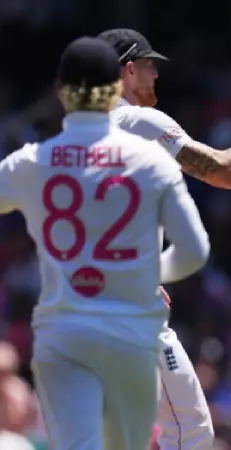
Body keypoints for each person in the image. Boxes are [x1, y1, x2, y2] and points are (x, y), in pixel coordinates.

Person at [96, 28, 231, 449]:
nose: (156, 75)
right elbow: (225, 171)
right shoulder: (137, 121)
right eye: (149, 66)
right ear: (127, 70)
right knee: (190, 431)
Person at [0, 37, 210, 449]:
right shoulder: (147, 158)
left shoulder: (32, 160)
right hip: (127, 323)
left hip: (62, 331)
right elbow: (194, 251)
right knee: (181, 435)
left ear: (61, 92)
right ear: (115, 87)